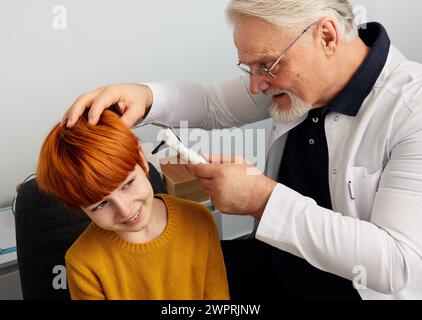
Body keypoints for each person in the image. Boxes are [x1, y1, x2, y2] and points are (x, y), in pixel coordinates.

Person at [62, 0, 422, 300]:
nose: (255, 85)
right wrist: (146, 96)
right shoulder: (293, 82)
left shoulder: (411, 111)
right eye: (248, 68)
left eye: (266, 65)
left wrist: (262, 200)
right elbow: (213, 103)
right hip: (278, 264)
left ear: (326, 35)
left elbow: (398, 264)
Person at [36, 110, 230, 300]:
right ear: (79, 207)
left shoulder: (198, 220)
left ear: (141, 160)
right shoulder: (82, 263)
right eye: (101, 205)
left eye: (127, 184)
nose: (125, 210)